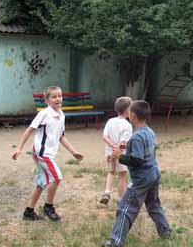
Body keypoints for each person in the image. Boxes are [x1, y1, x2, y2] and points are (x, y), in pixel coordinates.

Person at [101, 100, 171, 247]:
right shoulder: (149, 132)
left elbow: (137, 160)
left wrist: (120, 156)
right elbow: (147, 151)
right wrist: (127, 147)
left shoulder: (136, 137)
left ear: (132, 116)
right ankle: (165, 231)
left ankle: (115, 241)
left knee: (125, 208)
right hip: (154, 174)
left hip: (142, 179)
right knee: (154, 204)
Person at [12, 86, 83, 221]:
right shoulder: (44, 114)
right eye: (54, 97)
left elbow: (61, 136)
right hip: (42, 154)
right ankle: (48, 207)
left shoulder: (61, 115)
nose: (58, 99)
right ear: (47, 100)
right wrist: (19, 148)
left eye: (60, 96)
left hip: (48, 154)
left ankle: (29, 212)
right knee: (56, 177)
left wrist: (73, 152)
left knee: (41, 183)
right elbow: (29, 130)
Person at [100, 96, 133, 206]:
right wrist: (117, 150)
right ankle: (121, 199)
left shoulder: (110, 121)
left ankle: (107, 192)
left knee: (111, 172)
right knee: (122, 175)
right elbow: (123, 144)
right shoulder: (127, 126)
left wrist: (112, 148)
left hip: (109, 152)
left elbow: (104, 137)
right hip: (120, 155)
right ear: (128, 110)